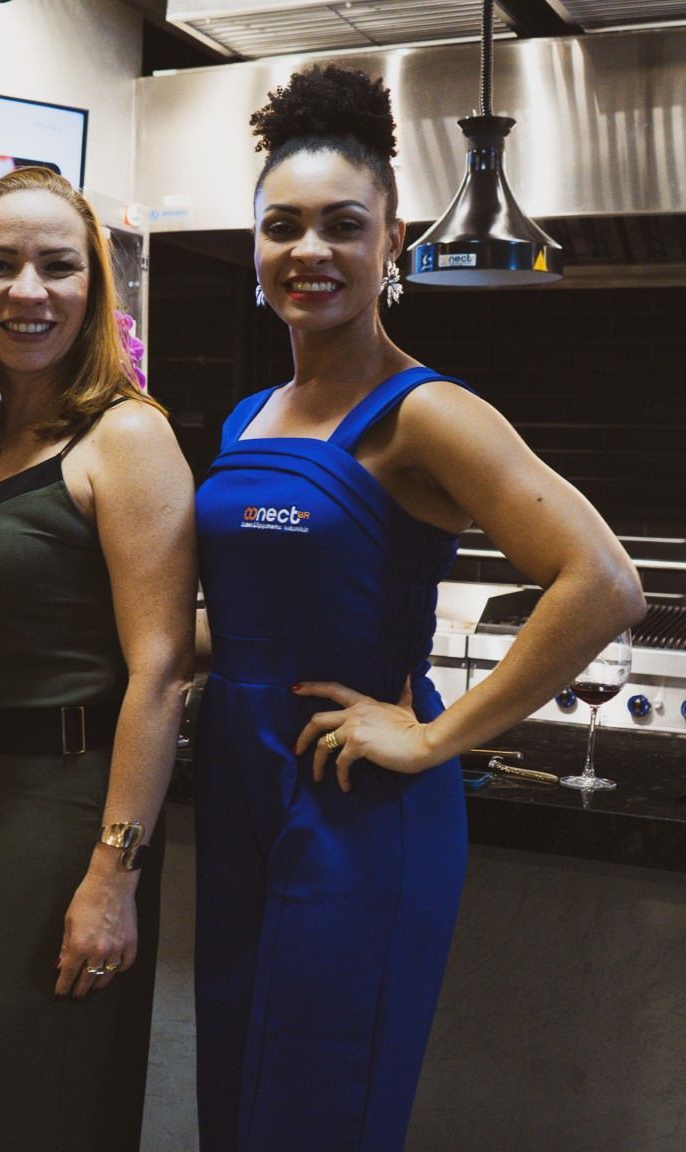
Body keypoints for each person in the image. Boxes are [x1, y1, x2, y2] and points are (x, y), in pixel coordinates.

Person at [193, 65, 645, 1152]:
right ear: (255, 245)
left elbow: (603, 583)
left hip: (358, 807)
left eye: (343, 226)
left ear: (392, 241)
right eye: (282, 227)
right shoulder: (250, 417)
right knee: (234, 1102)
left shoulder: (427, 413)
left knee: (317, 1115)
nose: (309, 250)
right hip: (239, 791)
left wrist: (438, 738)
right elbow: (242, 623)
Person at [0, 165, 197, 1152]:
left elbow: (160, 670)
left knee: (21, 1104)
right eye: (0, 265)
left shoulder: (128, 437)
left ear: (93, 289)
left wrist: (113, 874)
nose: (27, 290)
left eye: (57, 266)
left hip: (60, 809)